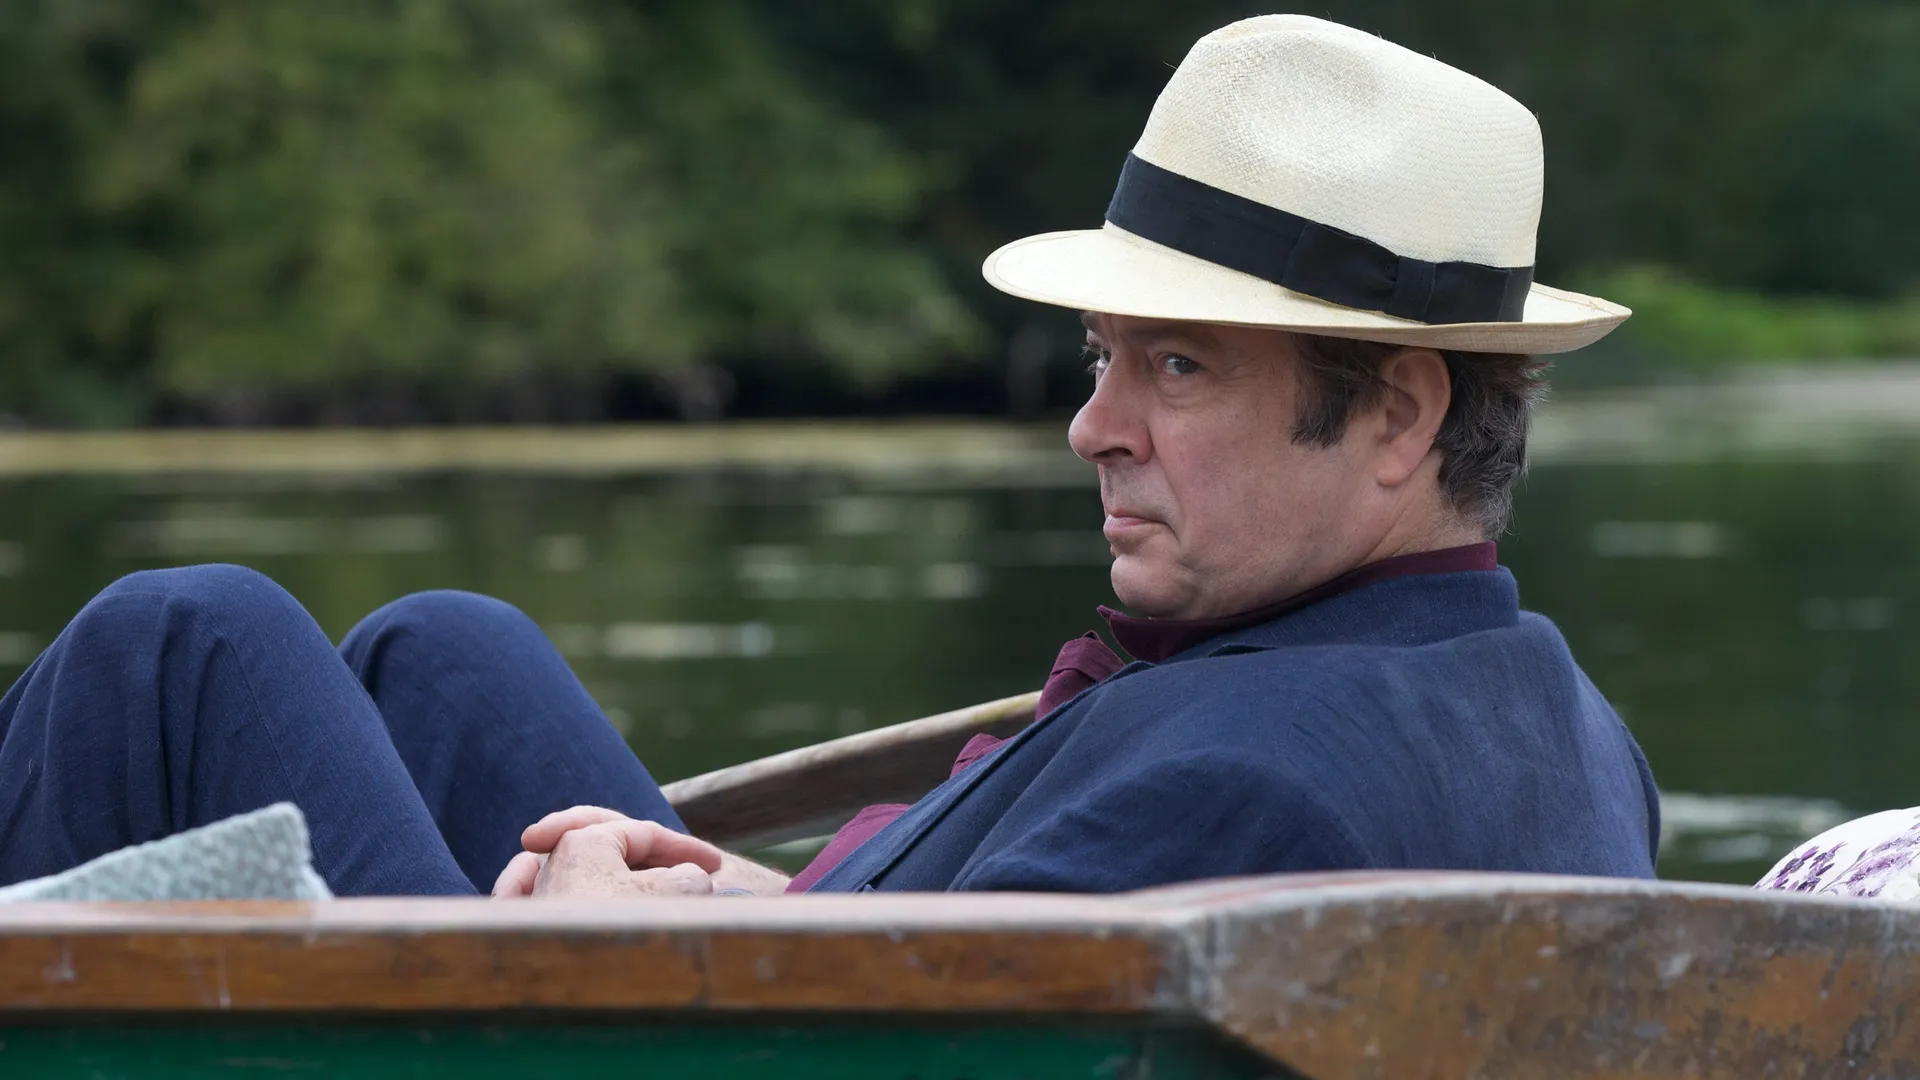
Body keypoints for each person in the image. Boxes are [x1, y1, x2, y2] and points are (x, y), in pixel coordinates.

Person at [0, 15, 1659, 900]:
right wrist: (751, 905)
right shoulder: (1571, 726)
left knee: (181, 646)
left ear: (1399, 416)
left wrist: (603, 948)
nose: (1095, 426)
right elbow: (966, 962)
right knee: (450, 648)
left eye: (1178, 366)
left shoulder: (1247, 775)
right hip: (838, 973)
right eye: (1106, 359)